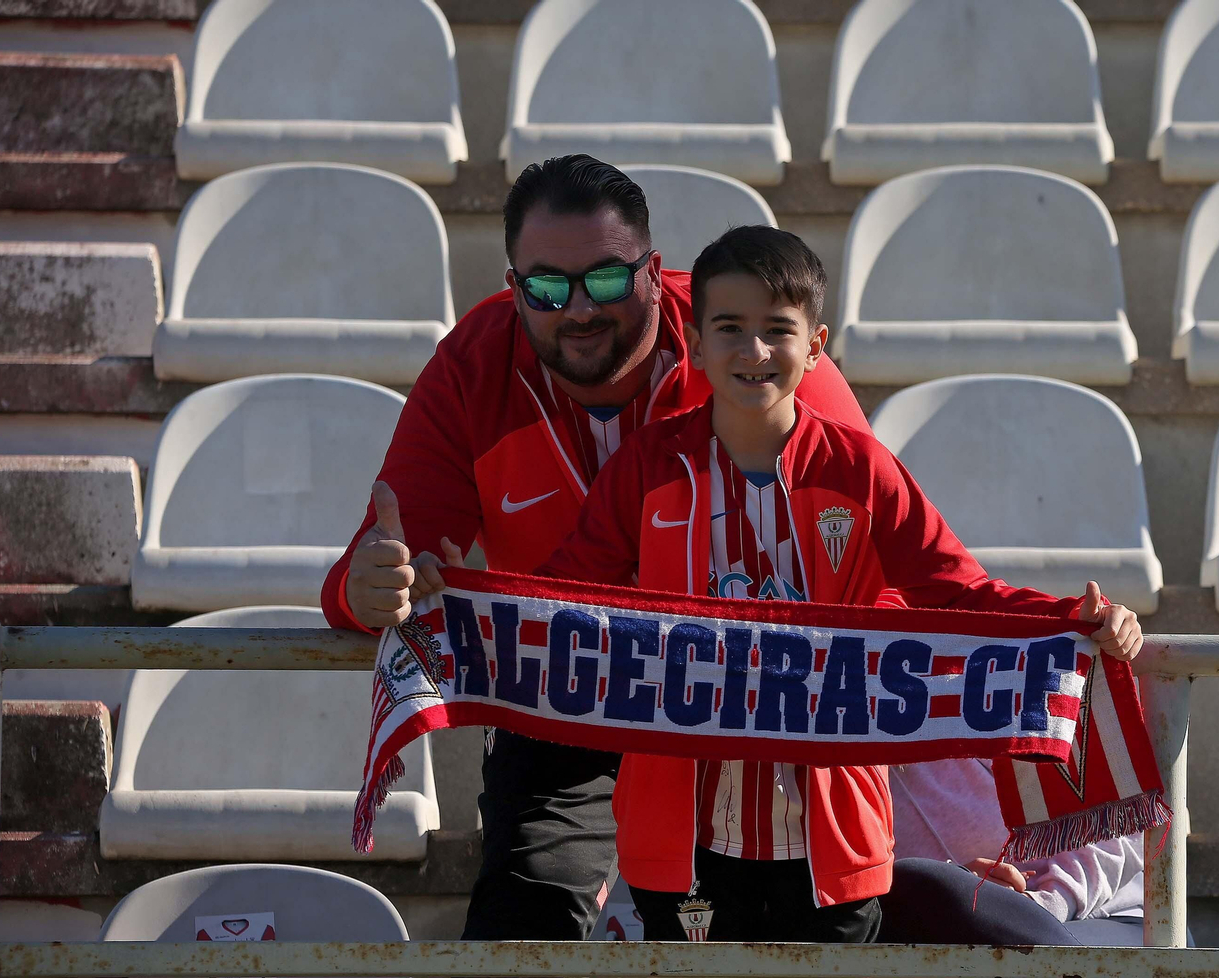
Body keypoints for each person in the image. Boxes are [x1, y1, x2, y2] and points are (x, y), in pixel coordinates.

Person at [525, 225, 1143, 941]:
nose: (753, 351)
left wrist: (1072, 618)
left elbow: (954, 589)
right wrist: (455, 603)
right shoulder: (647, 467)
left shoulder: (861, 470)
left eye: (776, 330)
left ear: (815, 347)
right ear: (694, 345)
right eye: (729, 328)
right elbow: (560, 596)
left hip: (834, 838)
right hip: (682, 842)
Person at [322, 155, 872, 940]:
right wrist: (368, 589)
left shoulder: (743, 340)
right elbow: (374, 563)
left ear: (654, 273)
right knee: (522, 928)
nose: (578, 308)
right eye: (547, 287)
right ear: (513, 288)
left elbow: (884, 547)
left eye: (607, 281)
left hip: (738, 704)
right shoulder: (474, 365)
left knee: (759, 944)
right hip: (566, 691)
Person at [879, 757, 1146, 946]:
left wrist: (1046, 902)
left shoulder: (1046, 684)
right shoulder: (851, 727)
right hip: (951, 930)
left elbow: (1124, 815)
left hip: (1106, 914)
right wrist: (961, 884)